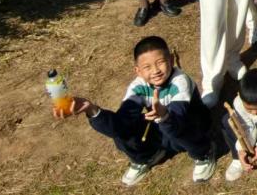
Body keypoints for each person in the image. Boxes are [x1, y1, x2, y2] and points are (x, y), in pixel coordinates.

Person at [54, 35, 215, 185]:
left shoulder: (180, 81)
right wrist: (92, 110)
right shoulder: (138, 86)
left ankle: (204, 153)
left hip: (189, 128)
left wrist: (164, 115)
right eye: (147, 67)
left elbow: (179, 115)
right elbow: (121, 122)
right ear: (138, 71)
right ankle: (146, 156)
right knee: (122, 129)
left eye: (160, 62)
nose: (155, 71)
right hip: (162, 131)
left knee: (184, 124)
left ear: (171, 60)